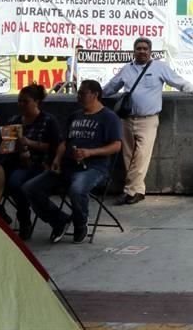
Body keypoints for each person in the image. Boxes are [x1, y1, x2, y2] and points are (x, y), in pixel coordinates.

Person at [103, 37, 193, 206]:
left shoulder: (159, 68)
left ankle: (129, 191)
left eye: (144, 49)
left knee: (140, 157)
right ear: (134, 51)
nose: (141, 51)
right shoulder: (127, 69)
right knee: (128, 157)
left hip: (148, 120)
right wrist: (94, 96)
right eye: (138, 48)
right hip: (126, 119)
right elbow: (111, 88)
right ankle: (138, 191)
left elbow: (178, 82)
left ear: (150, 51)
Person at [23, 80, 122, 243]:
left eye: (83, 93)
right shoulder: (74, 116)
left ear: (95, 95)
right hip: (67, 164)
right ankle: (59, 220)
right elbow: (64, 142)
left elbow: (116, 145)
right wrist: (57, 159)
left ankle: (81, 222)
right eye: (79, 93)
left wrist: (90, 152)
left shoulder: (108, 118)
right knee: (30, 188)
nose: (79, 96)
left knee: (77, 189)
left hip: (93, 167)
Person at [0, 84, 61, 239]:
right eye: (19, 101)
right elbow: (2, 148)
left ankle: (25, 219)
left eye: (25, 101)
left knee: (15, 182)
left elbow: (55, 146)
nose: (21, 105)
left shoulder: (47, 121)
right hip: (14, 163)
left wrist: (29, 144)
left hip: (39, 164)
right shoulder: (14, 121)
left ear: (36, 102)